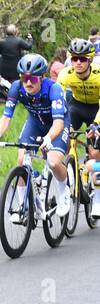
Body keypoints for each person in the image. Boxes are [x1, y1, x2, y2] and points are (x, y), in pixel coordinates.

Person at [0, 53, 71, 220]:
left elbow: (58, 123)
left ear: (41, 78)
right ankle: (22, 206)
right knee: (21, 161)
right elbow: (6, 116)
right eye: (24, 77)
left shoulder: (53, 89)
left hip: (57, 124)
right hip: (34, 123)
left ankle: (64, 191)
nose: (27, 82)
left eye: (32, 79)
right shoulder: (16, 87)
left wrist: (48, 138)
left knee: (53, 162)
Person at [57, 38, 100, 215]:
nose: (78, 63)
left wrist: (97, 125)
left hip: (96, 109)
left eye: (82, 59)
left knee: (95, 155)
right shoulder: (65, 74)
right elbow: (58, 99)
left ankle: (97, 199)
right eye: (75, 59)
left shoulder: (98, 74)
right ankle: (68, 175)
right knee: (64, 142)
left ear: (90, 60)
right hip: (76, 106)